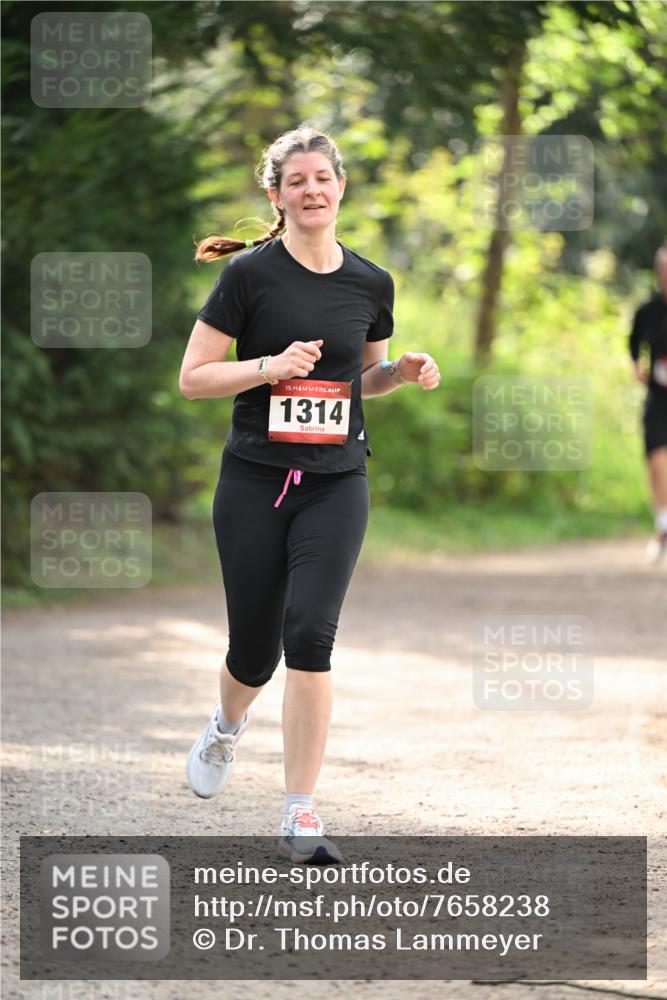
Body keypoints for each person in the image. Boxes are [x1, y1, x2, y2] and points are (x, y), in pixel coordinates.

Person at [179, 125, 441, 863]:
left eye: (322, 178)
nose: (311, 190)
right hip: (254, 479)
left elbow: (361, 381)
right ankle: (226, 728)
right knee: (254, 651)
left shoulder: (370, 282)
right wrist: (266, 365)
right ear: (277, 195)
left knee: (311, 636)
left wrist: (401, 370)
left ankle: (300, 814)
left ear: (340, 186)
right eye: (296, 181)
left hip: (336, 482)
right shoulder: (248, 278)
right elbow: (193, 378)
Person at [629, 244, 667, 565]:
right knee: (656, 463)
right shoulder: (647, 311)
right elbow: (633, 344)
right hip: (658, 397)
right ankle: (662, 528)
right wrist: (636, 366)